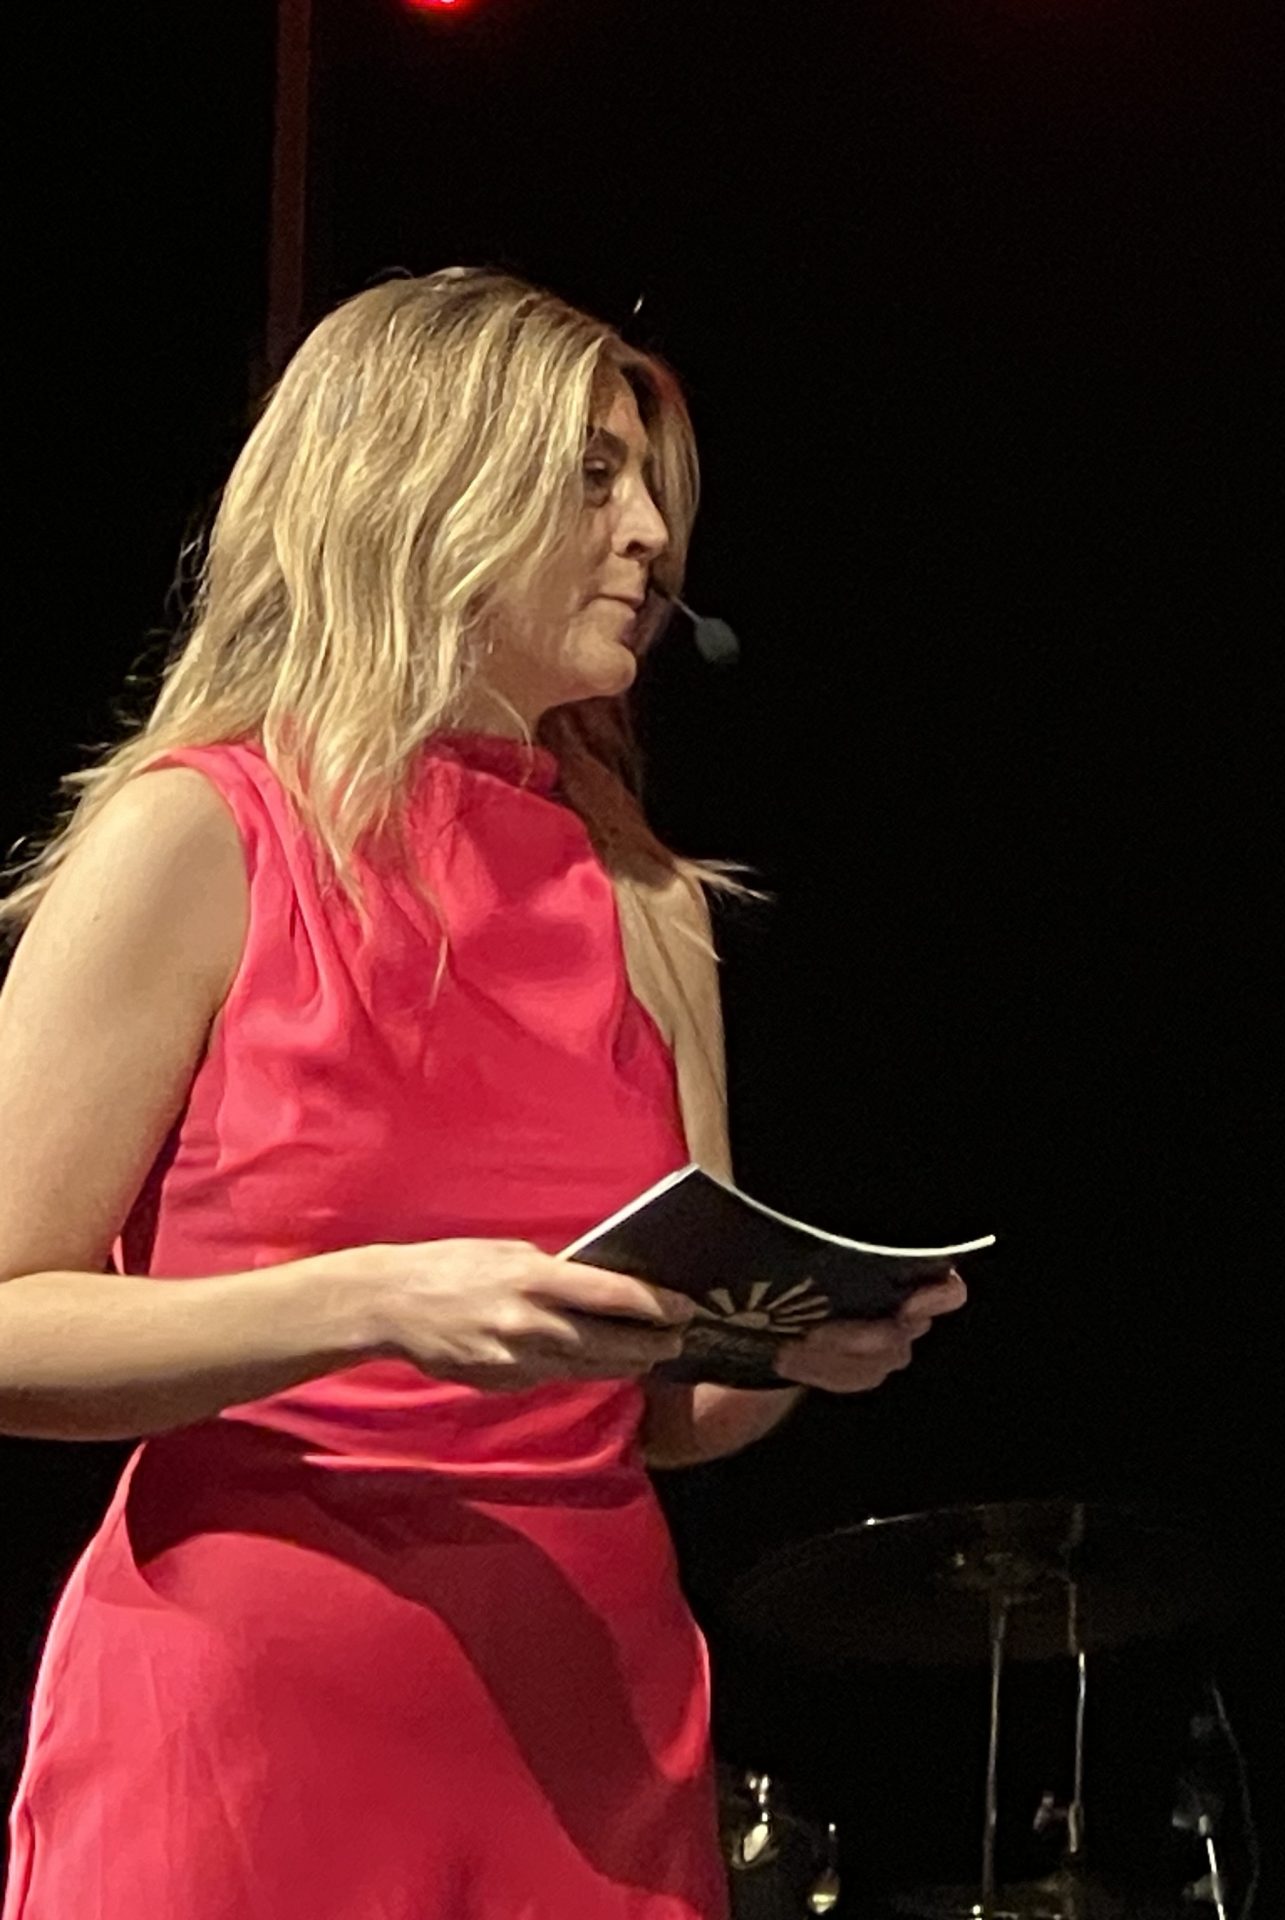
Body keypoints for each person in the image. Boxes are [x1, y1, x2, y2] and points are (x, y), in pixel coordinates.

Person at [0, 269, 967, 1919]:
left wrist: (787, 1354)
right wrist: (374, 1302)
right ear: (420, 483)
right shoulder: (202, 835)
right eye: (592, 478)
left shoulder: (651, 905)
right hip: (261, 1715)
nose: (651, 534)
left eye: (649, 486)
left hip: (593, 1729)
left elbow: (661, 1410)